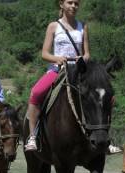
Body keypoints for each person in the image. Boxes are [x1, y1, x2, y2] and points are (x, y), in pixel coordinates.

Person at [25, 0, 90, 151]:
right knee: (36, 93)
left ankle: (105, 139)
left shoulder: (83, 26)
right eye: (70, 2)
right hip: (57, 70)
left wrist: (83, 59)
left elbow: (87, 54)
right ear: (61, 4)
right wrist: (57, 59)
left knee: (100, 93)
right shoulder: (53, 26)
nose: (73, 6)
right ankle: (33, 136)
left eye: (76, 3)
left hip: (78, 71)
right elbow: (44, 54)